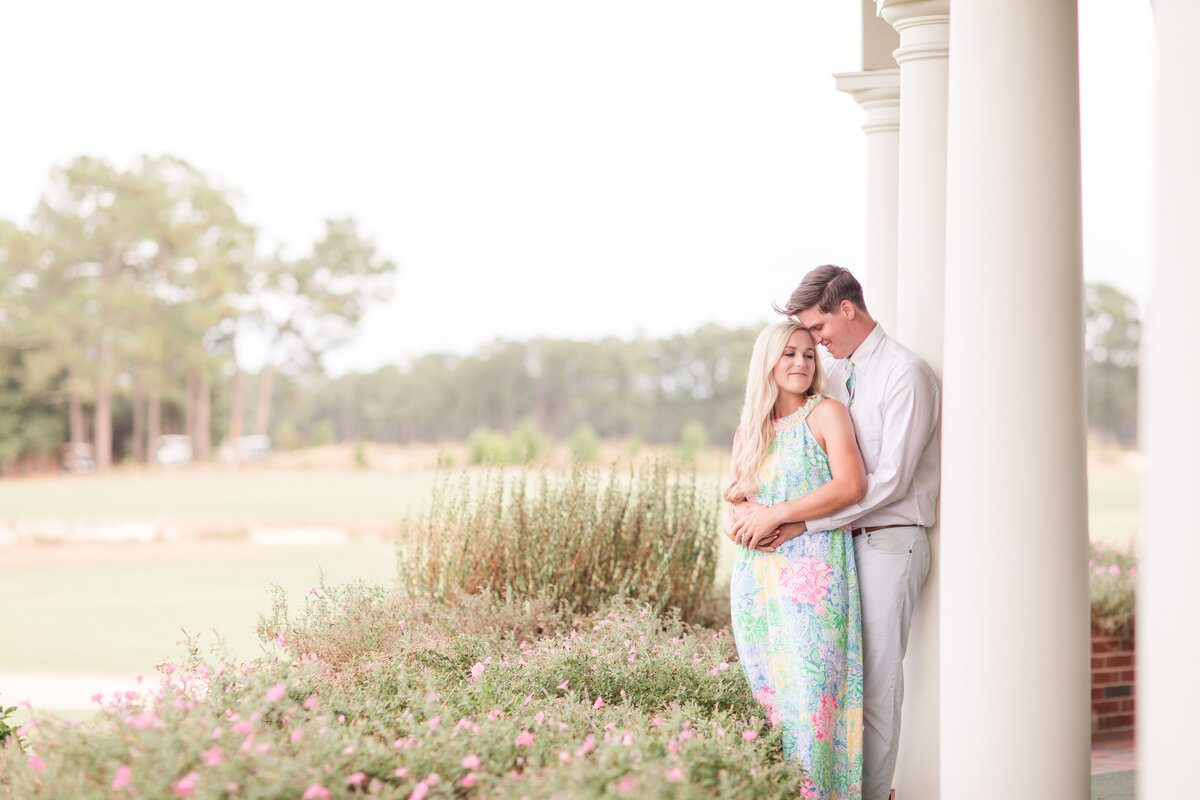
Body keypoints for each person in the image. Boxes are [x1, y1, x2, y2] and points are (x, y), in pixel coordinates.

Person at [734, 265, 939, 800]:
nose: (815, 345)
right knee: (839, 684)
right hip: (840, 546)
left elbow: (888, 481)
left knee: (874, 686)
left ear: (846, 309)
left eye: (818, 330)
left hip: (889, 537)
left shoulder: (904, 373)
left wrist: (796, 521)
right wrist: (756, 513)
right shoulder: (841, 372)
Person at [724, 319, 867, 800]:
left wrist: (777, 514)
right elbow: (734, 499)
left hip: (813, 579)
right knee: (770, 703)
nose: (801, 362)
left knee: (813, 700)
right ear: (768, 361)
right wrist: (740, 521)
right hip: (756, 584)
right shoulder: (750, 429)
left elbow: (851, 486)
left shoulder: (826, 413)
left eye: (808, 353)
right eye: (789, 353)